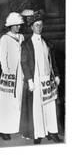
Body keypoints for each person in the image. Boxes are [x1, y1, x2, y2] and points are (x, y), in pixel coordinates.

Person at [20, 10, 62, 144]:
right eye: (36, 25)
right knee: (37, 107)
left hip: (47, 79)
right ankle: (38, 134)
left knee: (50, 106)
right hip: (36, 80)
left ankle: (52, 131)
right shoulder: (26, 44)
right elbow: (24, 62)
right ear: (31, 27)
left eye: (41, 25)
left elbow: (52, 61)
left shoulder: (47, 43)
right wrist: (29, 80)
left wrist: (56, 74)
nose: (39, 27)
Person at [0, 12, 24, 140]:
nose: (18, 27)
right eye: (15, 25)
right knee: (6, 102)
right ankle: (3, 129)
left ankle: (15, 126)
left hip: (21, 74)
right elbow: (2, 57)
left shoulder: (22, 37)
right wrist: (7, 72)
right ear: (10, 26)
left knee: (17, 100)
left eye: (19, 25)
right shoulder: (5, 38)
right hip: (9, 75)